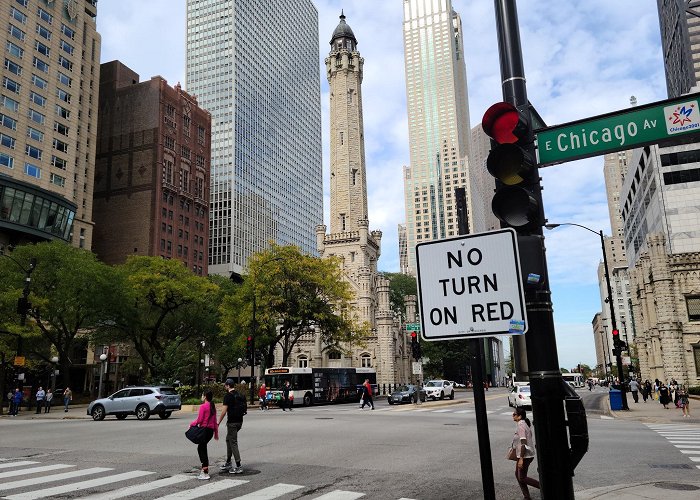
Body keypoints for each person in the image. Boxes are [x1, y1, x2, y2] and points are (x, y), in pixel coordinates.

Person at [217, 378, 246, 474]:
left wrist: (218, 423)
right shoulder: (240, 394)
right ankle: (228, 461)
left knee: (233, 442)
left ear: (228, 385)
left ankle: (238, 465)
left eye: (225, 385)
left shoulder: (228, 396)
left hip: (232, 423)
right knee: (228, 439)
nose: (225, 386)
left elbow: (224, 411)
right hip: (240, 421)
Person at [511, 407, 540, 500]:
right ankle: (526, 497)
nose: (513, 415)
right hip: (524, 455)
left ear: (519, 416)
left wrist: (521, 459)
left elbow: (523, 443)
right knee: (518, 475)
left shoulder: (521, 426)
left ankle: (544, 487)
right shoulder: (524, 424)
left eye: (514, 414)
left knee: (522, 477)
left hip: (525, 456)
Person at [189, 389, 218, 480]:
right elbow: (214, 421)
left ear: (205, 396)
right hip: (210, 431)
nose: (202, 397)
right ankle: (205, 470)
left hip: (204, 431)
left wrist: (191, 424)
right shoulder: (213, 406)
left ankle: (205, 471)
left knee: (201, 449)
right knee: (202, 448)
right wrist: (216, 433)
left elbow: (200, 420)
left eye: (202, 395)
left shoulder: (203, 406)